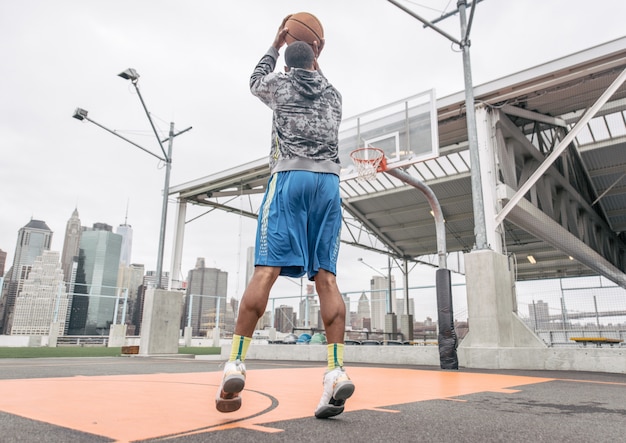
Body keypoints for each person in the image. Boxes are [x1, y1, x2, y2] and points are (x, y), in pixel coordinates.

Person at [215, 16, 355, 419]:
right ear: (315, 59)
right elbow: (316, 74)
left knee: (266, 272)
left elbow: (255, 77)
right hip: (328, 184)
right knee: (326, 279)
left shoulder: (278, 84)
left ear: (287, 63)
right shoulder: (335, 95)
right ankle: (334, 372)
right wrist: (316, 52)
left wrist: (274, 44)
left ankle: (236, 362)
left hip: (289, 177)